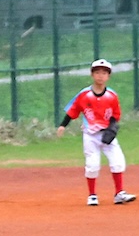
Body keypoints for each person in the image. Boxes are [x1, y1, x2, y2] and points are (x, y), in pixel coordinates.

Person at [57, 59, 135, 207]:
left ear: (108, 76)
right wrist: (63, 125)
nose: (100, 76)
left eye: (104, 73)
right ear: (92, 75)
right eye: (97, 72)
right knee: (92, 165)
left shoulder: (112, 95)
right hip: (90, 135)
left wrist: (112, 129)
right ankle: (92, 195)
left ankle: (119, 193)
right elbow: (73, 111)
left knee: (118, 162)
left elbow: (115, 115)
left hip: (107, 134)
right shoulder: (84, 94)